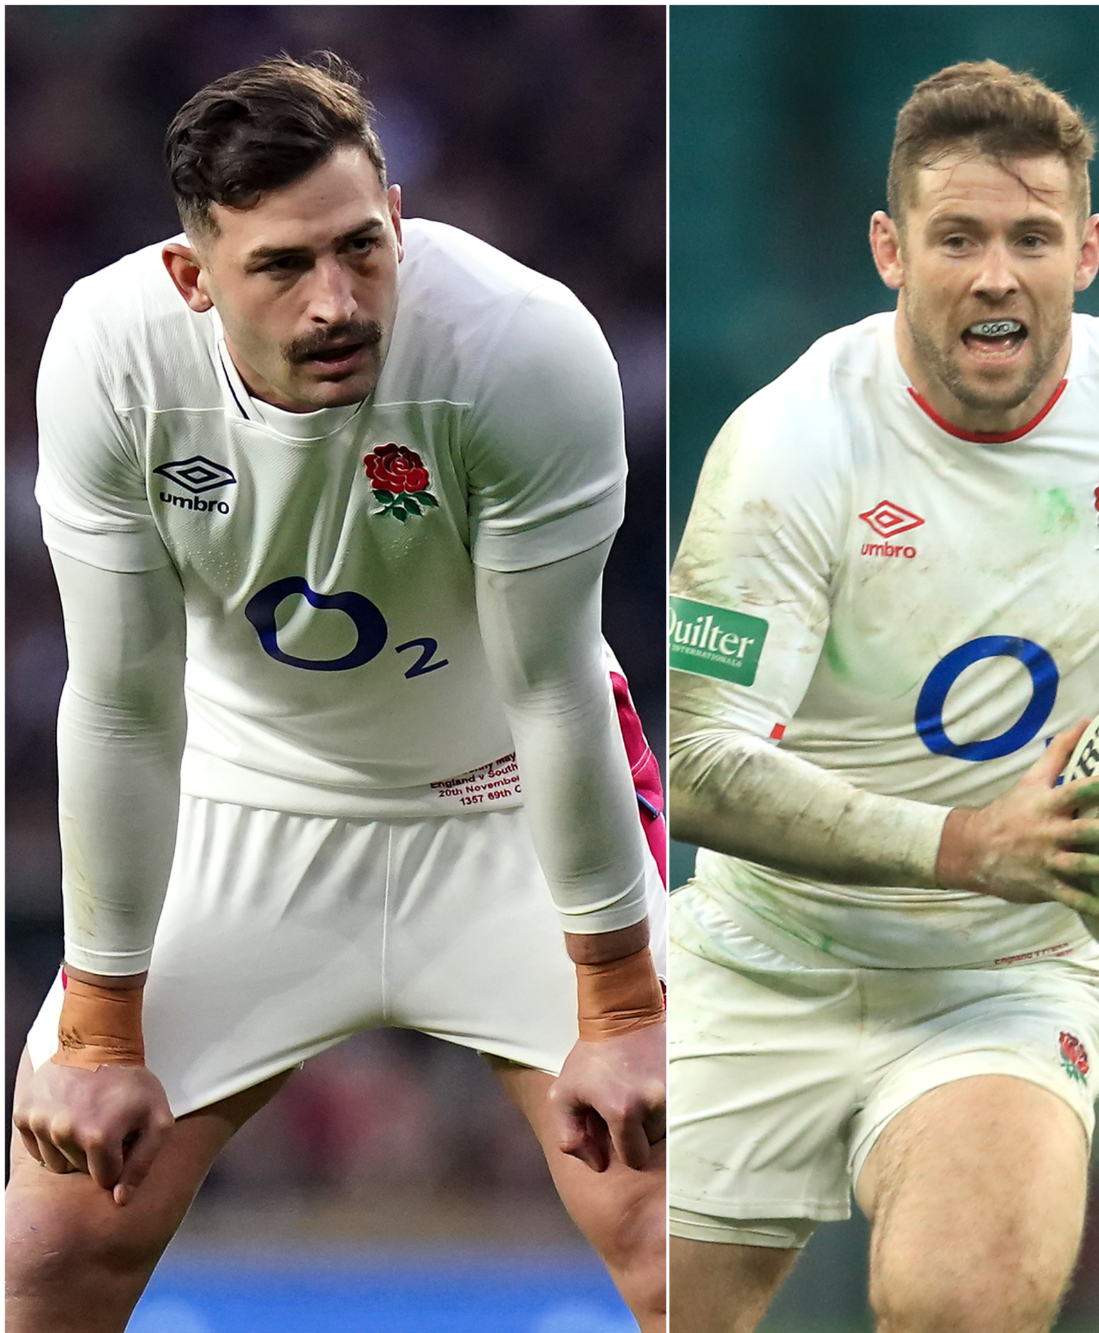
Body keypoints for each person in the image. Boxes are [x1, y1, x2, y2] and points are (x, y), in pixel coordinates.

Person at [4, 54, 667, 1332]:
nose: (337, 302)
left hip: (505, 801)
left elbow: (550, 685)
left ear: (401, 216)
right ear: (194, 280)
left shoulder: (522, 346)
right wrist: (97, 1038)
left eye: (364, 249)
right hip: (241, 801)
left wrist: (622, 1009)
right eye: (283, 267)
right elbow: (126, 705)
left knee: (674, 1225)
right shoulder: (108, 355)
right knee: (49, 1249)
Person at [668, 59, 1099, 1333]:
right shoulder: (788, 446)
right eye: (955, 236)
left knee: (962, 1307)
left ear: (1084, 250)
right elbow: (698, 764)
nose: (993, 274)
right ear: (888, 249)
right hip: (761, 954)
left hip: (1004, 976)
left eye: (1029, 237)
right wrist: (972, 845)